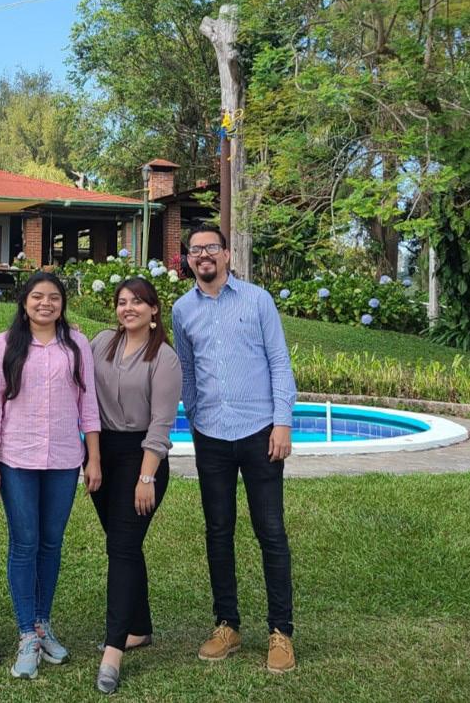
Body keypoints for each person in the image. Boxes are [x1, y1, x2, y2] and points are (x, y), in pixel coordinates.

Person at [171, 226, 298, 674]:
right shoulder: (182, 310)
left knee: (271, 531)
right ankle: (227, 625)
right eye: (195, 250)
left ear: (226, 254)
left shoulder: (258, 300)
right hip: (211, 434)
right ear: (188, 259)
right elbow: (187, 369)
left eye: (211, 247)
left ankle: (281, 631)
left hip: (261, 431)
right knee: (218, 531)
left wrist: (282, 422)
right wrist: (192, 417)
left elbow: (279, 361)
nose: (203, 255)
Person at [0, 271, 102, 680]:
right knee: (24, 542)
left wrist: (93, 459)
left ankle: (43, 623)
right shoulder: (5, 344)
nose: (45, 303)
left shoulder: (77, 344)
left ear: (62, 304)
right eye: (37, 296)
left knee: (51, 542)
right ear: (24, 302)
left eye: (53, 297)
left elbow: (88, 406)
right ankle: (26, 633)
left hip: (64, 459)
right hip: (17, 458)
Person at [89, 277, 182, 694]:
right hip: (102, 455)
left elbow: (161, 424)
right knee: (123, 543)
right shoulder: (101, 343)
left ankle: (113, 650)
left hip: (141, 457)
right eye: (122, 302)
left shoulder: (164, 358)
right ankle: (139, 628)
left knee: (122, 548)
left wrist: (146, 477)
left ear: (154, 309)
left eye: (137, 302)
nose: (128, 308)